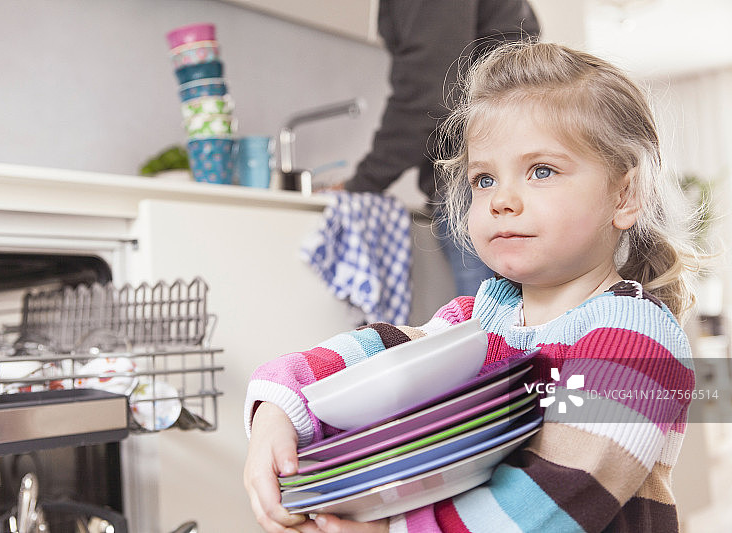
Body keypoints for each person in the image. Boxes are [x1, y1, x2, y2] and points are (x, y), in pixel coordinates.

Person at [244, 41, 700, 532]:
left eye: (541, 171)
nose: (502, 199)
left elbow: (558, 495)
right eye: (484, 179)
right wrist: (279, 407)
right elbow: (379, 355)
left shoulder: (635, 334)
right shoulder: (483, 317)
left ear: (625, 195)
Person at [339, 0, 540, 297]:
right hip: (509, 171)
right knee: (523, 323)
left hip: (478, 183)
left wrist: (361, 183)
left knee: (489, 327)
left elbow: (428, 95)